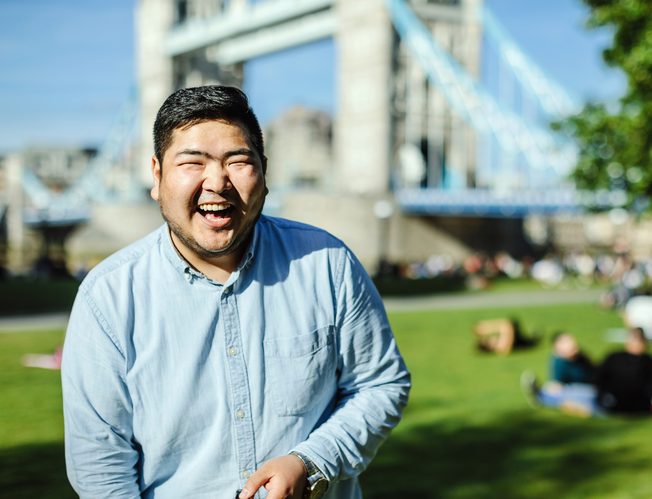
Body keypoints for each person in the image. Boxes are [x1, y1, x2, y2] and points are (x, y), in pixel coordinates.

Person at [61, 86, 411, 499]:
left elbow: (380, 384)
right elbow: (101, 467)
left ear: (264, 172)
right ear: (156, 176)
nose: (217, 183)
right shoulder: (108, 297)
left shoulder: (327, 263)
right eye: (193, 162)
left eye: (238, 162)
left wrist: (312, 462)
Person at [522, 328, 652, 417]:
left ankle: (543, 396)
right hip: (629, 404)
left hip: (609, 402)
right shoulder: (644, 361)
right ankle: (544, 396)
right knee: (572, 392)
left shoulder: (615, 357)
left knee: (571, 393)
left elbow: (599, 375)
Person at [473, 317, 539, 355]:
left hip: (527, 340)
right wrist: (488, 328)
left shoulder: (500, 343)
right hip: (529, 343)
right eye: (486, 340)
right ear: (489, 346)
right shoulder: (501, 347)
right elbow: (507, 325)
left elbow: (506, 325)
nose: (489, 337)